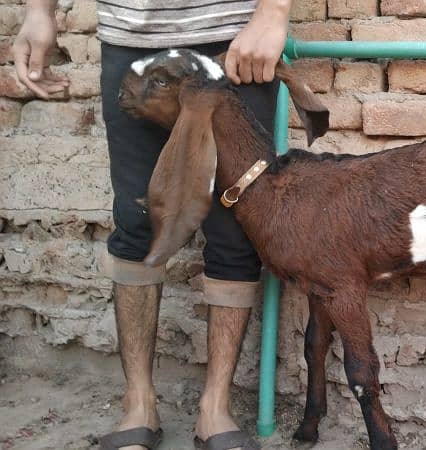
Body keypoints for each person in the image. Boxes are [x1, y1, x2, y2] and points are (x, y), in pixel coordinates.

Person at [13, 1, 292, 448]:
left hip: (234, 36)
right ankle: (138, 404)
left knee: (234, 231)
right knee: (136, 221)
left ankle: (215, 409)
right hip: (132, 40)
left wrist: (275, 11)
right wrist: (39, 11)